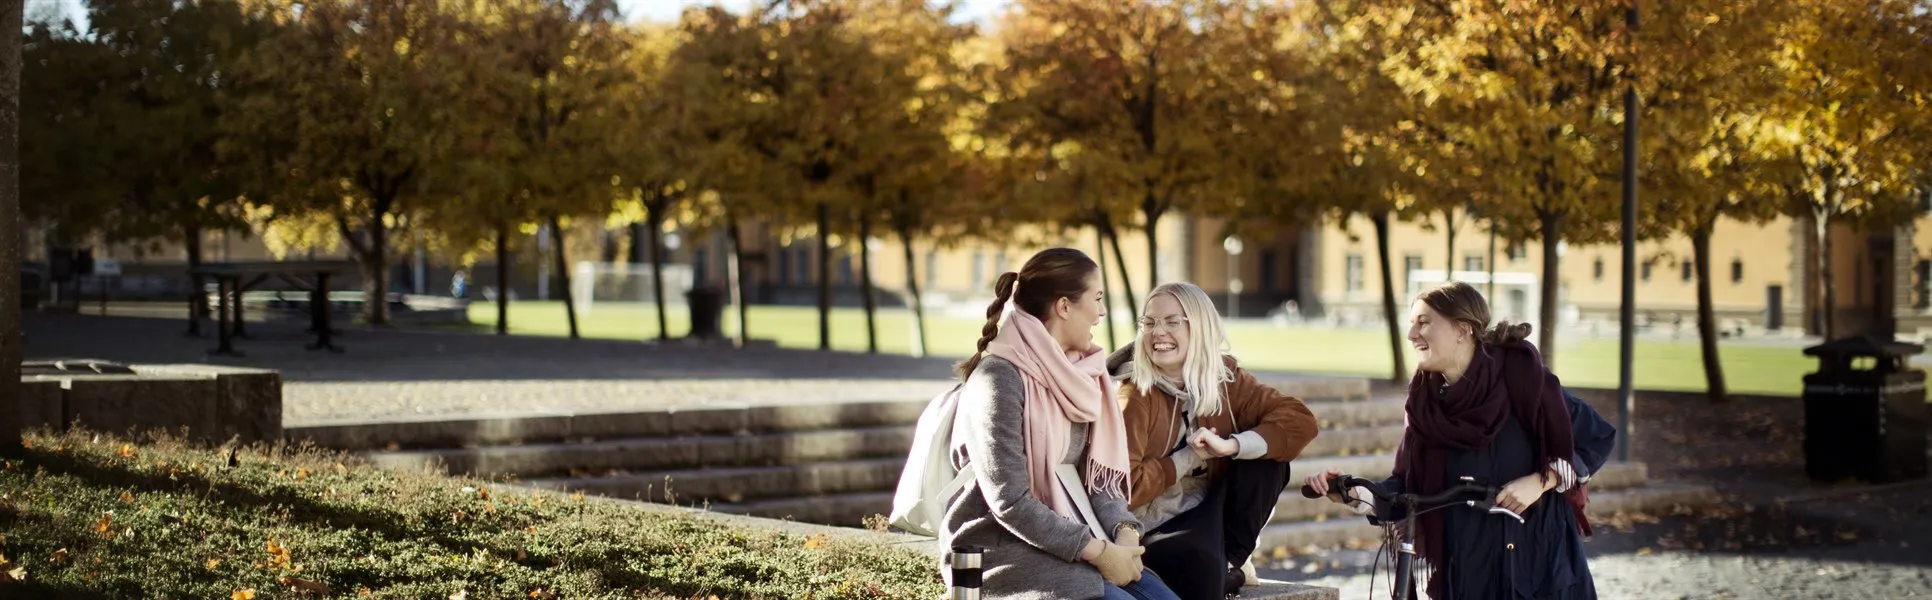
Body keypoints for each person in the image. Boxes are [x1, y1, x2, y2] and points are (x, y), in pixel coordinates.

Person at [1305, 281, 1616, 599]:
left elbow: (1598, 437)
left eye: (1424, 322)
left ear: (1462, 329)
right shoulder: (1424, 405)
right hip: (1468, 571)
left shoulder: (1524, 379)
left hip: (1540, 565)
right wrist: (1355, 493)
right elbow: (1407, 487)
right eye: (1411, 323)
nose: (1411, 334)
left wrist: (1541, 482)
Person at [942, 248, 1181, 600]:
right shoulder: (998, 380)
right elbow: (1010, 502)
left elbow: (1096, 480)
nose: (1102, 311)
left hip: (1079, 545)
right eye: (1097, 299)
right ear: (1065, 307)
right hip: (1007, 553)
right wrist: (1100, 553)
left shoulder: (1081, 376)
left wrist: (1124, 531)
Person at [1108, 282, 1320, 599]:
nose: (1158, 332)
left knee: (1267, 463)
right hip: (1154, 525)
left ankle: (1230, 560)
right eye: (1149, 323)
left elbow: (1299, 420)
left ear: (1200, 326)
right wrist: (1187, 458)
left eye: (1172, 322)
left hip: (1210, 515)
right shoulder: (1135, 394)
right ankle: (1223, 569)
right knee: (1198, 564)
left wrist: (1232, 446)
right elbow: (1123, 489)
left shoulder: (1225, 379)